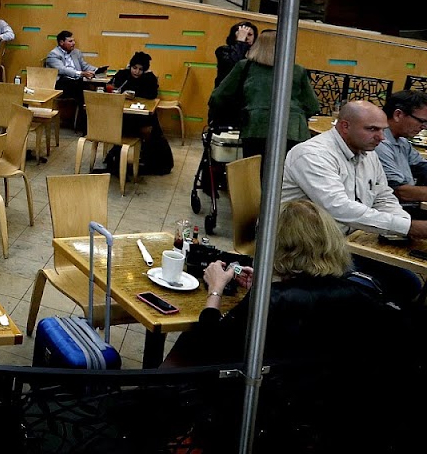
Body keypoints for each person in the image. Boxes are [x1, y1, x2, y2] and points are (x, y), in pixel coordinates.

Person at [163, 200, 407, 367]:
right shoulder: (360, 291)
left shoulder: (272, 300)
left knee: (189, 340)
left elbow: (212, 345)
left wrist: (215, 290)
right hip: (317, 403)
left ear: (276, 246)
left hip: (252, 405)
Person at [283, 100, 426, 304]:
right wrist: (409, 226)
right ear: (344, 126)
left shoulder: (368, 152)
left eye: (382, 130)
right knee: (372, 293)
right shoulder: (312, 154)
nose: (381, 137)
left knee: (409, 284)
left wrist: (403, 227)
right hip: (306, 248)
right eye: (372, 129)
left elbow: (383, 195)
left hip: (348, 242)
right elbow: (340, 209)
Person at [208, 30, 319, 159]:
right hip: (293, 130)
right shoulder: (297, 70)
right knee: (286, 174)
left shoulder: (245, 67)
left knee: (255, 172)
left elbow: (218, 97)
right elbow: (313, 105)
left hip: (255, 127)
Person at [375, 89, 427, 212]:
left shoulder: (402, 141)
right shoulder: (379, 143)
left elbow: (423, 167)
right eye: (421, 121)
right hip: (393, 212)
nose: (424, 127)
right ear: (398, 115)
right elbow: (401, 192)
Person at [44, 30, 96, 106]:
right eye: (70, 41)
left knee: (91, 87)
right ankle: (82, 113)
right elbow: (62, 70)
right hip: (60, 82)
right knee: (80, 88)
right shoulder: (53, 54)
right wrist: (81, 73)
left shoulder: (76, 52)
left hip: (76, 80)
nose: (74, 43)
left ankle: (87, 111)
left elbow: (84, 66)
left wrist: (98, 70)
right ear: (61, 42)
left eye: (73, 41)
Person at [214, 21, 258, 89]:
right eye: (243, 34)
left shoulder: (256, 54)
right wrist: (240, 41)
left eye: (249, 34)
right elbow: (235, 65)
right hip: (226, 92)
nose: (246, 37)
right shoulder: (223, 50)